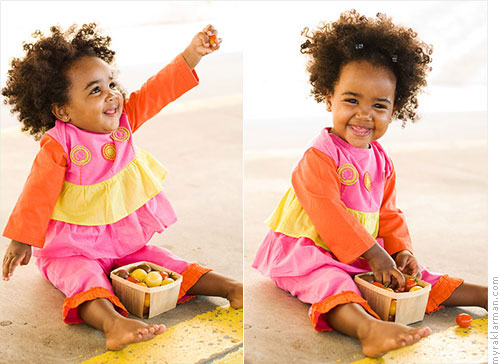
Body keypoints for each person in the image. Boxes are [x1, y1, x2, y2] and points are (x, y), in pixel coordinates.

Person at [252, 10, 487, 358]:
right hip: (307, 252)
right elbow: (327, 213)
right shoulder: (318, 157)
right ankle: (369, 329)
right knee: (332, 283)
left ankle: (485, 295)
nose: (364, 115)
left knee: (413, 278)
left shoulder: (381, 161)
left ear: (395, 110)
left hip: (359, 251)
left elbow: (388, 212)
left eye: (379, 105)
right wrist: (375, 254)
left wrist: (398, 251)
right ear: (329, 96)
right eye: (351, 100)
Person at [1, 23, 242, 351]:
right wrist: (21, 239)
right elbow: (36, 193)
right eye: (95, 91)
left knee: (161, 260)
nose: (112, 95)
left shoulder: (124, 121)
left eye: (111, 83)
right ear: (63, 111)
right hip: (71, 248)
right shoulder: (60, 143)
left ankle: (228, 287)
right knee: (84, 280)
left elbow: (157, 90)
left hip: (121, 240)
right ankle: (113, 323)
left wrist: (192, 55)